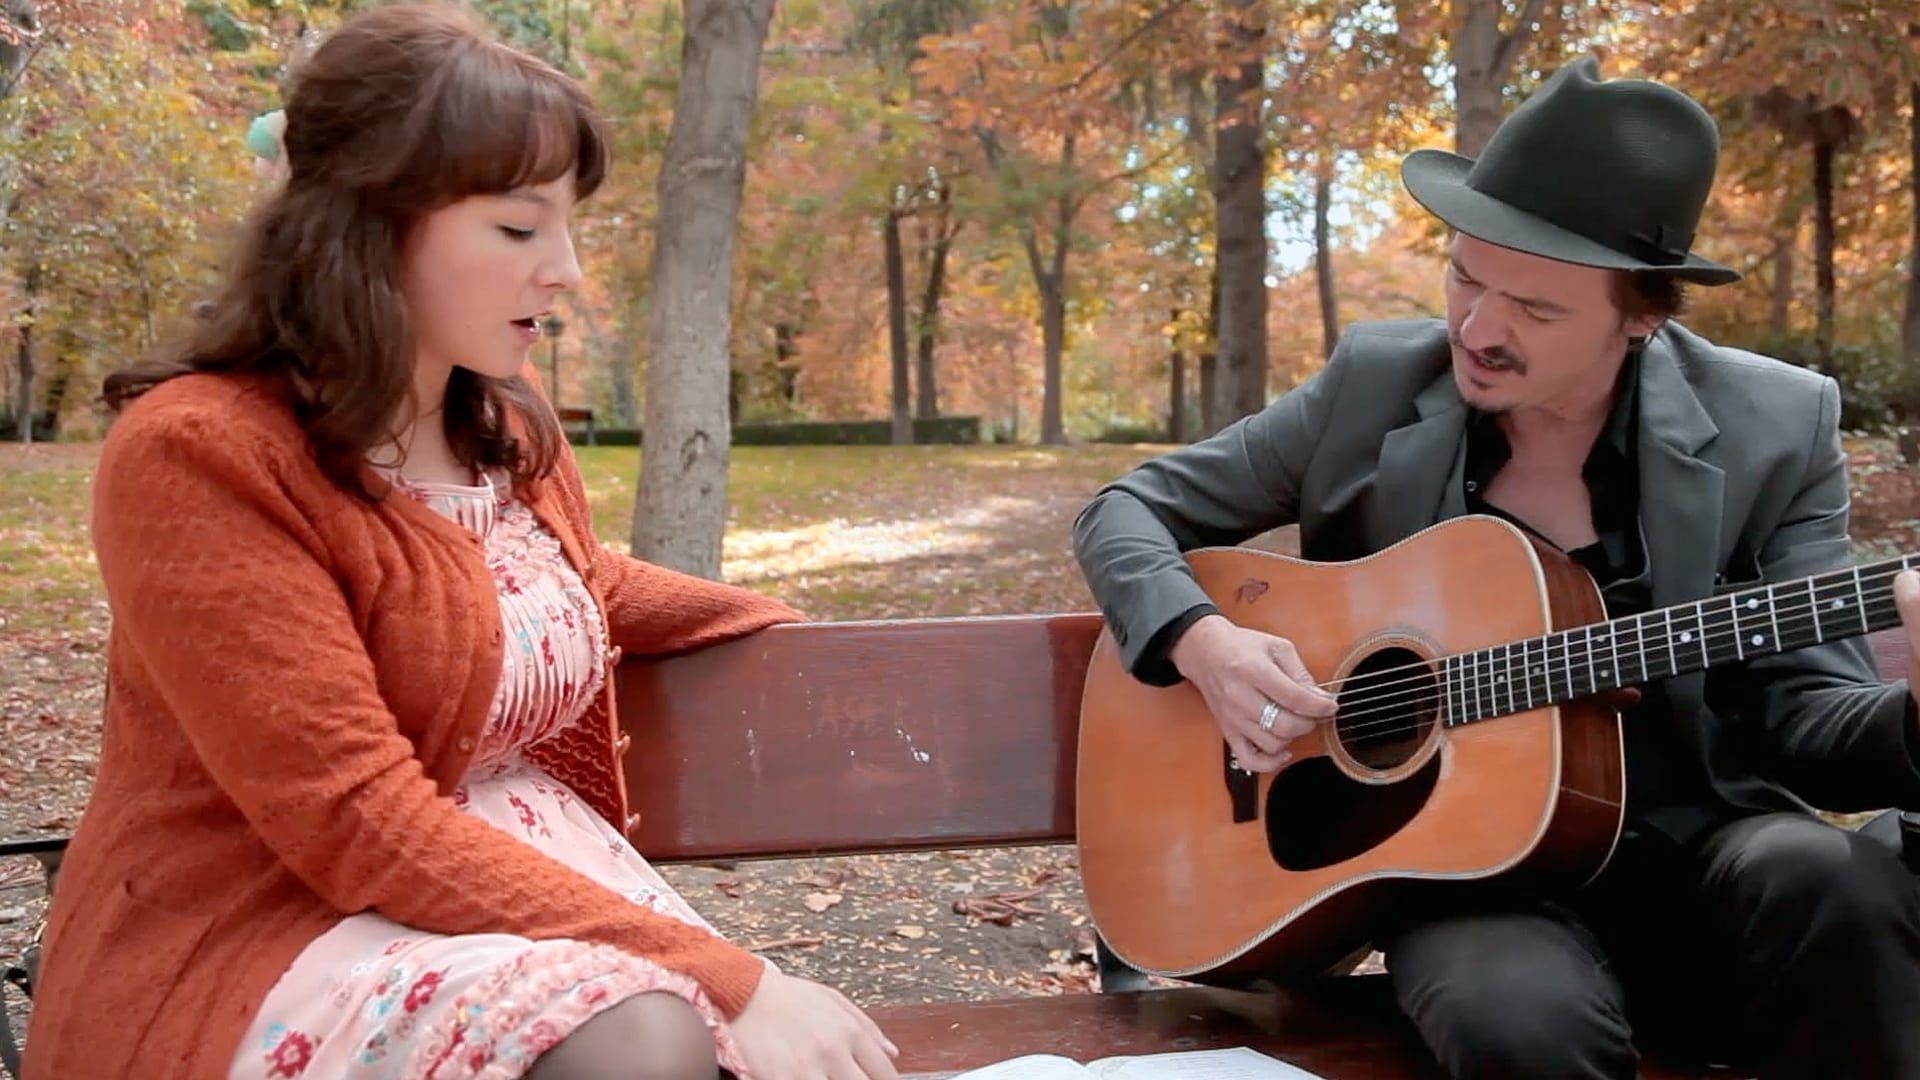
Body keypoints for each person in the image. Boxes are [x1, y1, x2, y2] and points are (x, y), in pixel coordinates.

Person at [24, 7, 898, 1079]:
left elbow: (549, 587)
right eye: (520, 230)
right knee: (638, 1032)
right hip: (267, 935)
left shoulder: (505, 417)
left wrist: (771, 625)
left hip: (501, 900)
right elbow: (351, 816)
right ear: (369, 226)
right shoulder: (200, 455)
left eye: (568, 227)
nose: (565, 270)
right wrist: (735, 974)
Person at [1073, 57, 1920, 1079]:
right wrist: (1201, 641)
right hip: (1466, 877)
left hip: (1700, 853)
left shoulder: (1775, 426)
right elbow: (1126, 510)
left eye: (1538, 309)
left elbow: (1813, 724)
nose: (1478, 329)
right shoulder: (1376, 387)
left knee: (1837, 882)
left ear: (1643, 317)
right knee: (1516, 1019)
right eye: (1465, 275)